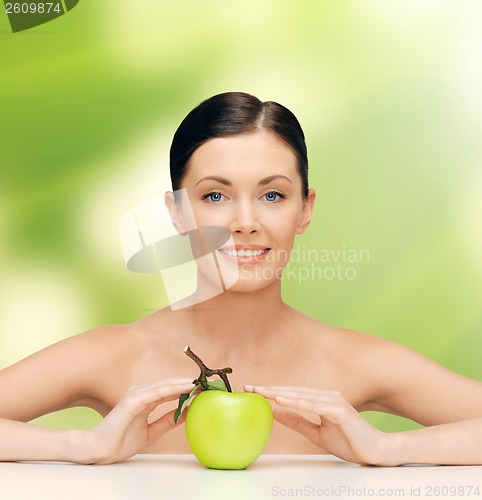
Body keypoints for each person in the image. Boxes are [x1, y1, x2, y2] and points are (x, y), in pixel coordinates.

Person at [1, 92, 482, 466]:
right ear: (177, 213)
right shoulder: (113, 357)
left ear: (305, 209)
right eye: (215, 197)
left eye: (272, 196)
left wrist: (384, 449)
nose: (245, 221)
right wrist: (82, 445)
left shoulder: (354, 362)